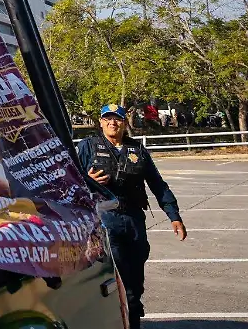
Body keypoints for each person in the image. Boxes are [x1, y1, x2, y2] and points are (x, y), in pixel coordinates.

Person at [77, 104, 188, 329]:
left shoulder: (137, 150)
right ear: (100, 122)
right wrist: (87, 180)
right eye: (107, 119)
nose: (112, 123)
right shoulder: (88, 147)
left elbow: (158, 184)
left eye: (116, 119)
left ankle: (133, 315)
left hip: (135, 219)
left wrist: (174, 215)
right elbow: (70, 181)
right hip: (104, 220)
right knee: (117, 277)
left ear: (124, 122)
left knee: (135, 278)